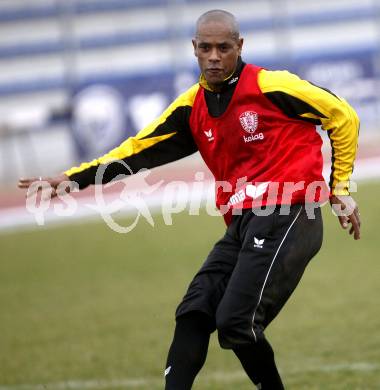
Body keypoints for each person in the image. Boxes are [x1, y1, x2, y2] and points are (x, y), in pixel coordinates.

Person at [19, 9, 361, 389]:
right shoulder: (191, 106)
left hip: (291, 215)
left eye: (223, 47)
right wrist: (71, 179)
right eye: (205, 48)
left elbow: (343, 116)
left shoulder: (272, 85)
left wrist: (339, 189)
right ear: (194, 49)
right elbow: (135, 151)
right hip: (243, 223)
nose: (214, 56)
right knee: (194, 311)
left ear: (239, 47)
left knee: (235, 322)